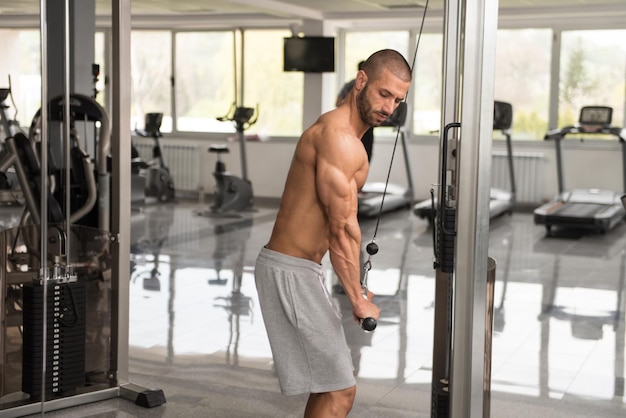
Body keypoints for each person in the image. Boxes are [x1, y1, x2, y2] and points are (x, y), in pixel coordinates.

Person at [255, 49, 412, 418]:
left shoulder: (352, 143)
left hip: (302, 271)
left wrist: (356, 286)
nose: (390, 107)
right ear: (361, 81)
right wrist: (357, 300)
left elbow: (348, 227)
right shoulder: (338, 139)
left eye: (398, 100)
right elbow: (340, 229)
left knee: (332, 386)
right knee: (341, 389)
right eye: (384, 94)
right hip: (290, 271)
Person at [336, 61, 374, 163]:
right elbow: (338, 103)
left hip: (366, 127)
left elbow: (338, 103)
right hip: (351, 125)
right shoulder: (351, 85)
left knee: (364, 158)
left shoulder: (372, 87)